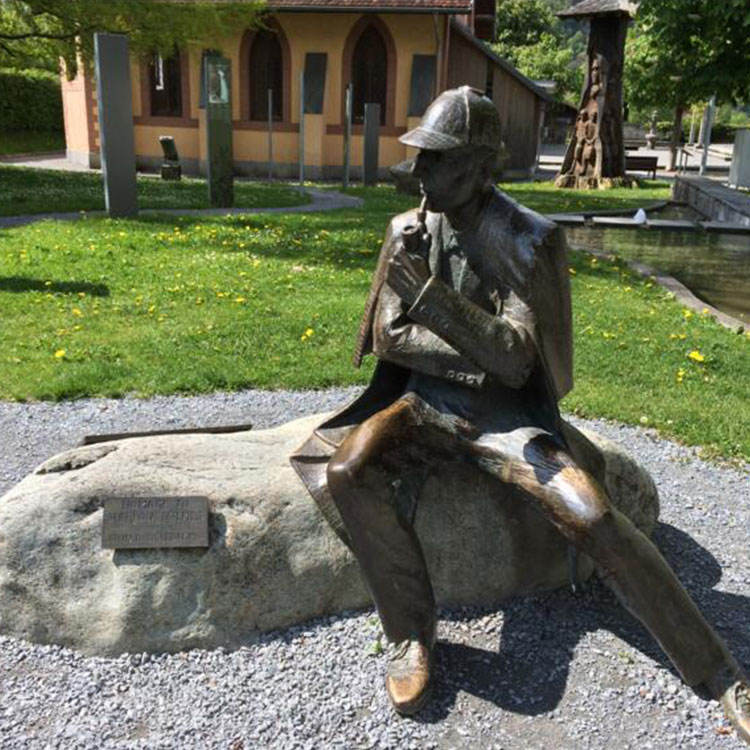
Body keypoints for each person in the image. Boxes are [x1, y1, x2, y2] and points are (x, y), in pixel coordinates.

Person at [290, 86, 749, 741]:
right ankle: (411, 634)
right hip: (423, 404)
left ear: (481, 167)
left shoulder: (530, 240)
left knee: (592, 514)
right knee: (348, 469)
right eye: (421, 156)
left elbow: (516, 363)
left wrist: (430, 298)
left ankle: (721, 672)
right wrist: (474, 349)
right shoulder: (406, 231)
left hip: (509, 422)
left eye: (438, 159)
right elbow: (391, 339)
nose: (420, 172)